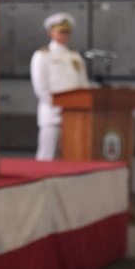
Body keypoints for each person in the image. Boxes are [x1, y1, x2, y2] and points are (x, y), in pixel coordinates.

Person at [30, 12, 91, 161]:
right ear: (51, 32)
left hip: (75, 116)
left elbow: (84, 85)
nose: (64, 35)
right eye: (61, 31)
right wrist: (59, 106)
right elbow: (41, 87)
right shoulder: (42, 56)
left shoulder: (75, 57)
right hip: (52, 114)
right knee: (47, 156)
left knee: (73, 155)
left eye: (67, 32)